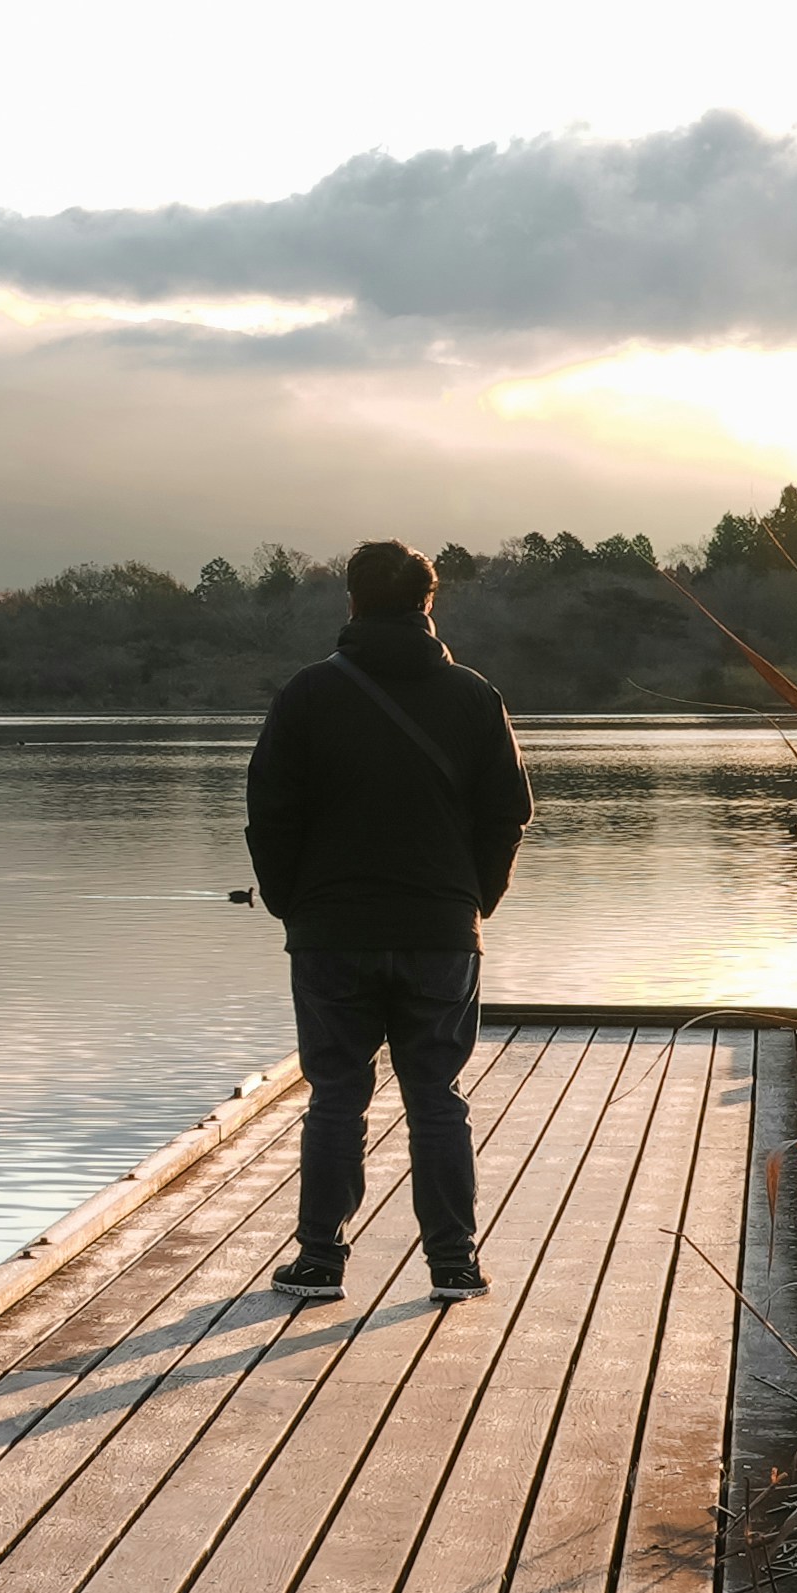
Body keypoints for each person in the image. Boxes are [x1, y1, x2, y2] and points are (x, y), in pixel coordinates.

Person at [241, 539, 535, 1303]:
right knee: (435, 1095)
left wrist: (290, 904)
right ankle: (453, 1263)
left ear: (351, 602)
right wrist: (472, 902)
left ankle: (318, 1261)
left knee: (336, 1094)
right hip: (439, 930)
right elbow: (508, 813)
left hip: (331, 932)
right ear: (427, 603)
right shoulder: (474, 696)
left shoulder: (307, 694)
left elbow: (268, 813)